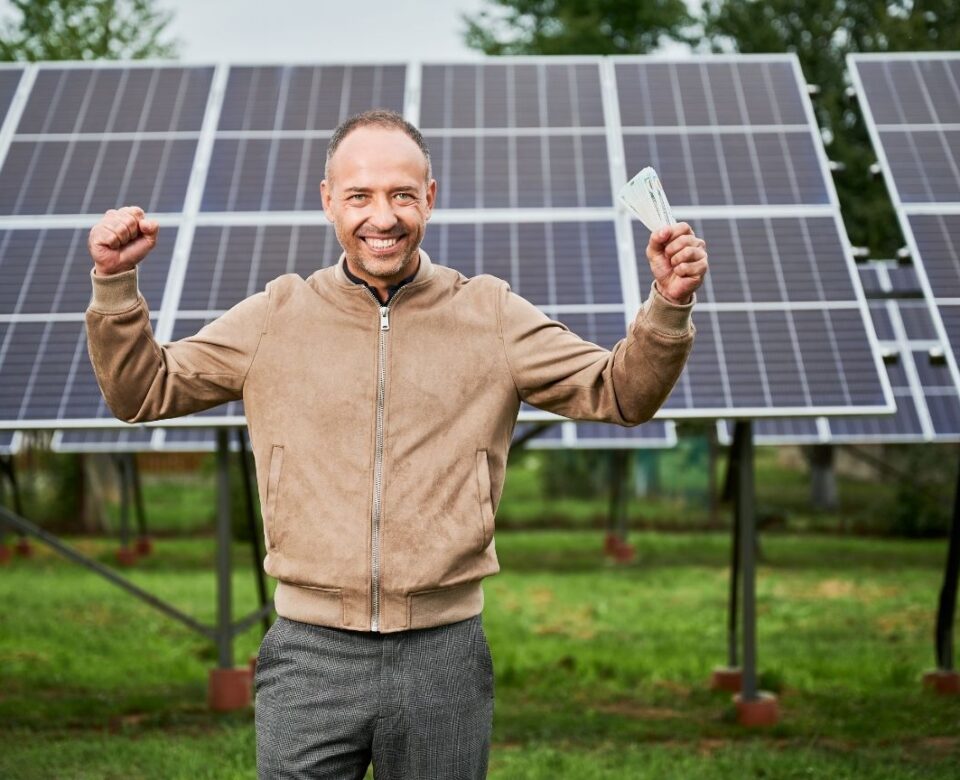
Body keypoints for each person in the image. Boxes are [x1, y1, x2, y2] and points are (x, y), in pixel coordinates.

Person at [85, 109, 707, 779]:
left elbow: (621, 392)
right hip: (307, 653)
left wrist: (666, 305)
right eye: (360, 195)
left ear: (429, 199)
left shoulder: (489, 314)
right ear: (329, 201)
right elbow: (140, 392)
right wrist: (115, 286)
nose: (382, 216)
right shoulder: (276, 316)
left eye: (401, 195)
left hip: (445, 656)